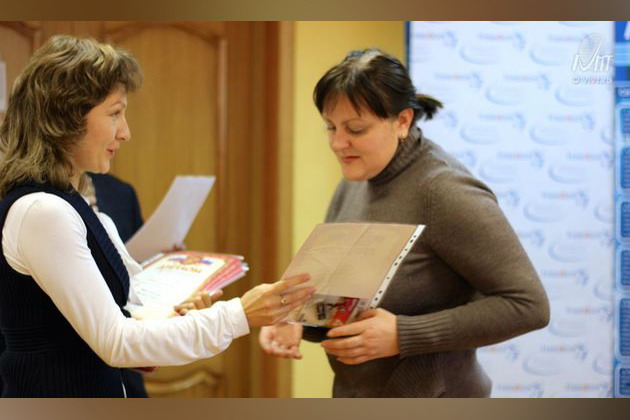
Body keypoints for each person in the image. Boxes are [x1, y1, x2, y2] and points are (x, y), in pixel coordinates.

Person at [0, 35, 314, 398]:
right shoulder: (44, 211)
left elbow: (124, 321)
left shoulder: (75, 208)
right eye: (114, 113)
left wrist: (176, 316)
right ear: (65, 116)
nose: (125, 132)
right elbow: (117, 342)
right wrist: (240, 314)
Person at [259, 49, 550, 398]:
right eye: (331, 127)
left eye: (355, 129)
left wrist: (403, 334)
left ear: (402, 121)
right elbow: (344, 294)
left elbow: (528, 306)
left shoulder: (444, 191)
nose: (337, 143)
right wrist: (299, 320)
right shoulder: (356, 180)